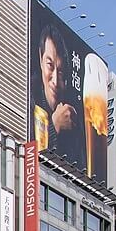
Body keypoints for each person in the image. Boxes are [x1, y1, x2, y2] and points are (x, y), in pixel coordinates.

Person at [30, 20, 84, 161]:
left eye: (60, 72)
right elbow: (30, 152)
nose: (54, 80)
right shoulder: (28, 95)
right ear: (40, 59)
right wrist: (55, 125)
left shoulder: (71, 113)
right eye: (50, 65)